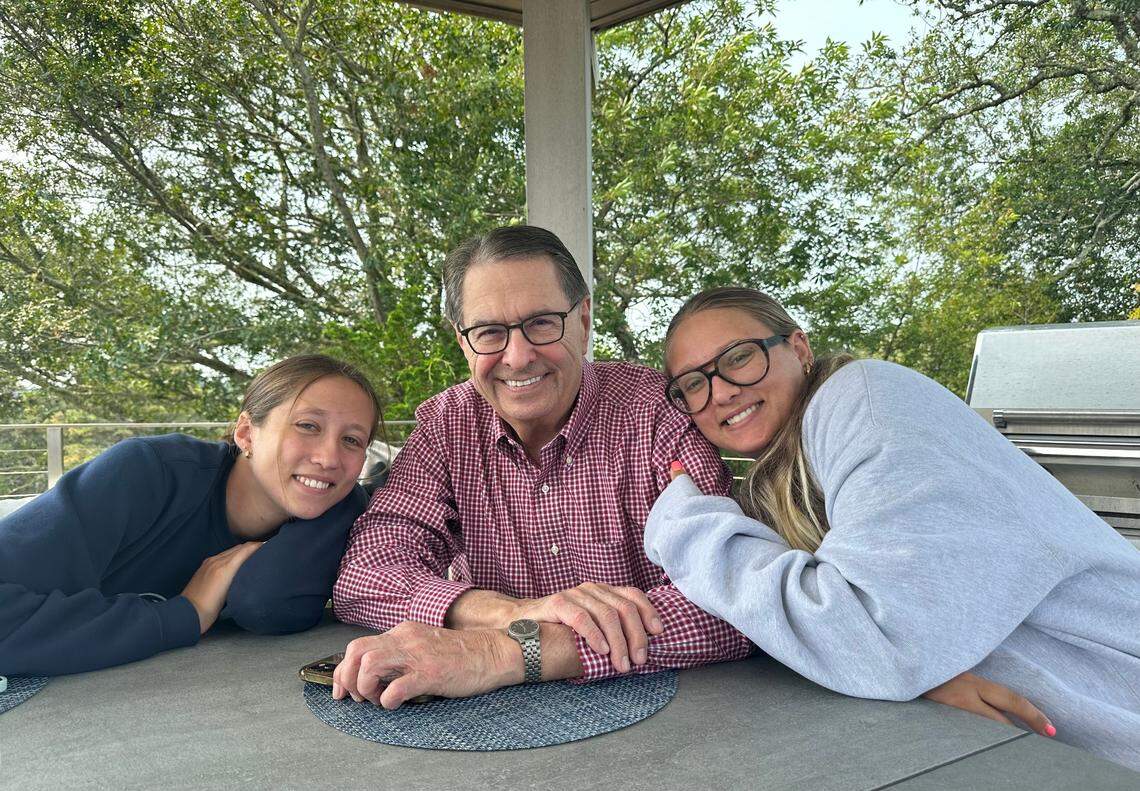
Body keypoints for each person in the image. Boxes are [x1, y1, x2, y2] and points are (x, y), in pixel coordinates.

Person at [329, 226, 1049, 728]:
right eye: (489, 332)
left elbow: (727, 602)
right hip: (496, 728)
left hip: (693, 720)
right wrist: (504, 609)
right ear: (464, 343)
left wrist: (505, 649)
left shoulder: (658, 409)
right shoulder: (446, 426)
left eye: (542, 323)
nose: (517, 355)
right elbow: (365, 573)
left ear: (582, 322)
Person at [643, 287, 1140, 769]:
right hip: (1056, 746)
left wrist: (686, 524)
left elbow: (876, 639)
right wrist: (919, 674)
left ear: (798, 348)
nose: (721, 391)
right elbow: (865, 640)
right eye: (693, 383)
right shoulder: (778, 483)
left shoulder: (866, 399)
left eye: (738, 357)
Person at [0, 354, 381, 676]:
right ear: (247, 433)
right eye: (307, 426)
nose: (329, 458)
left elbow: (270, 605)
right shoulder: (146, 474)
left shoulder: (338, 520)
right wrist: (185, 614)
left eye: (352, 440)